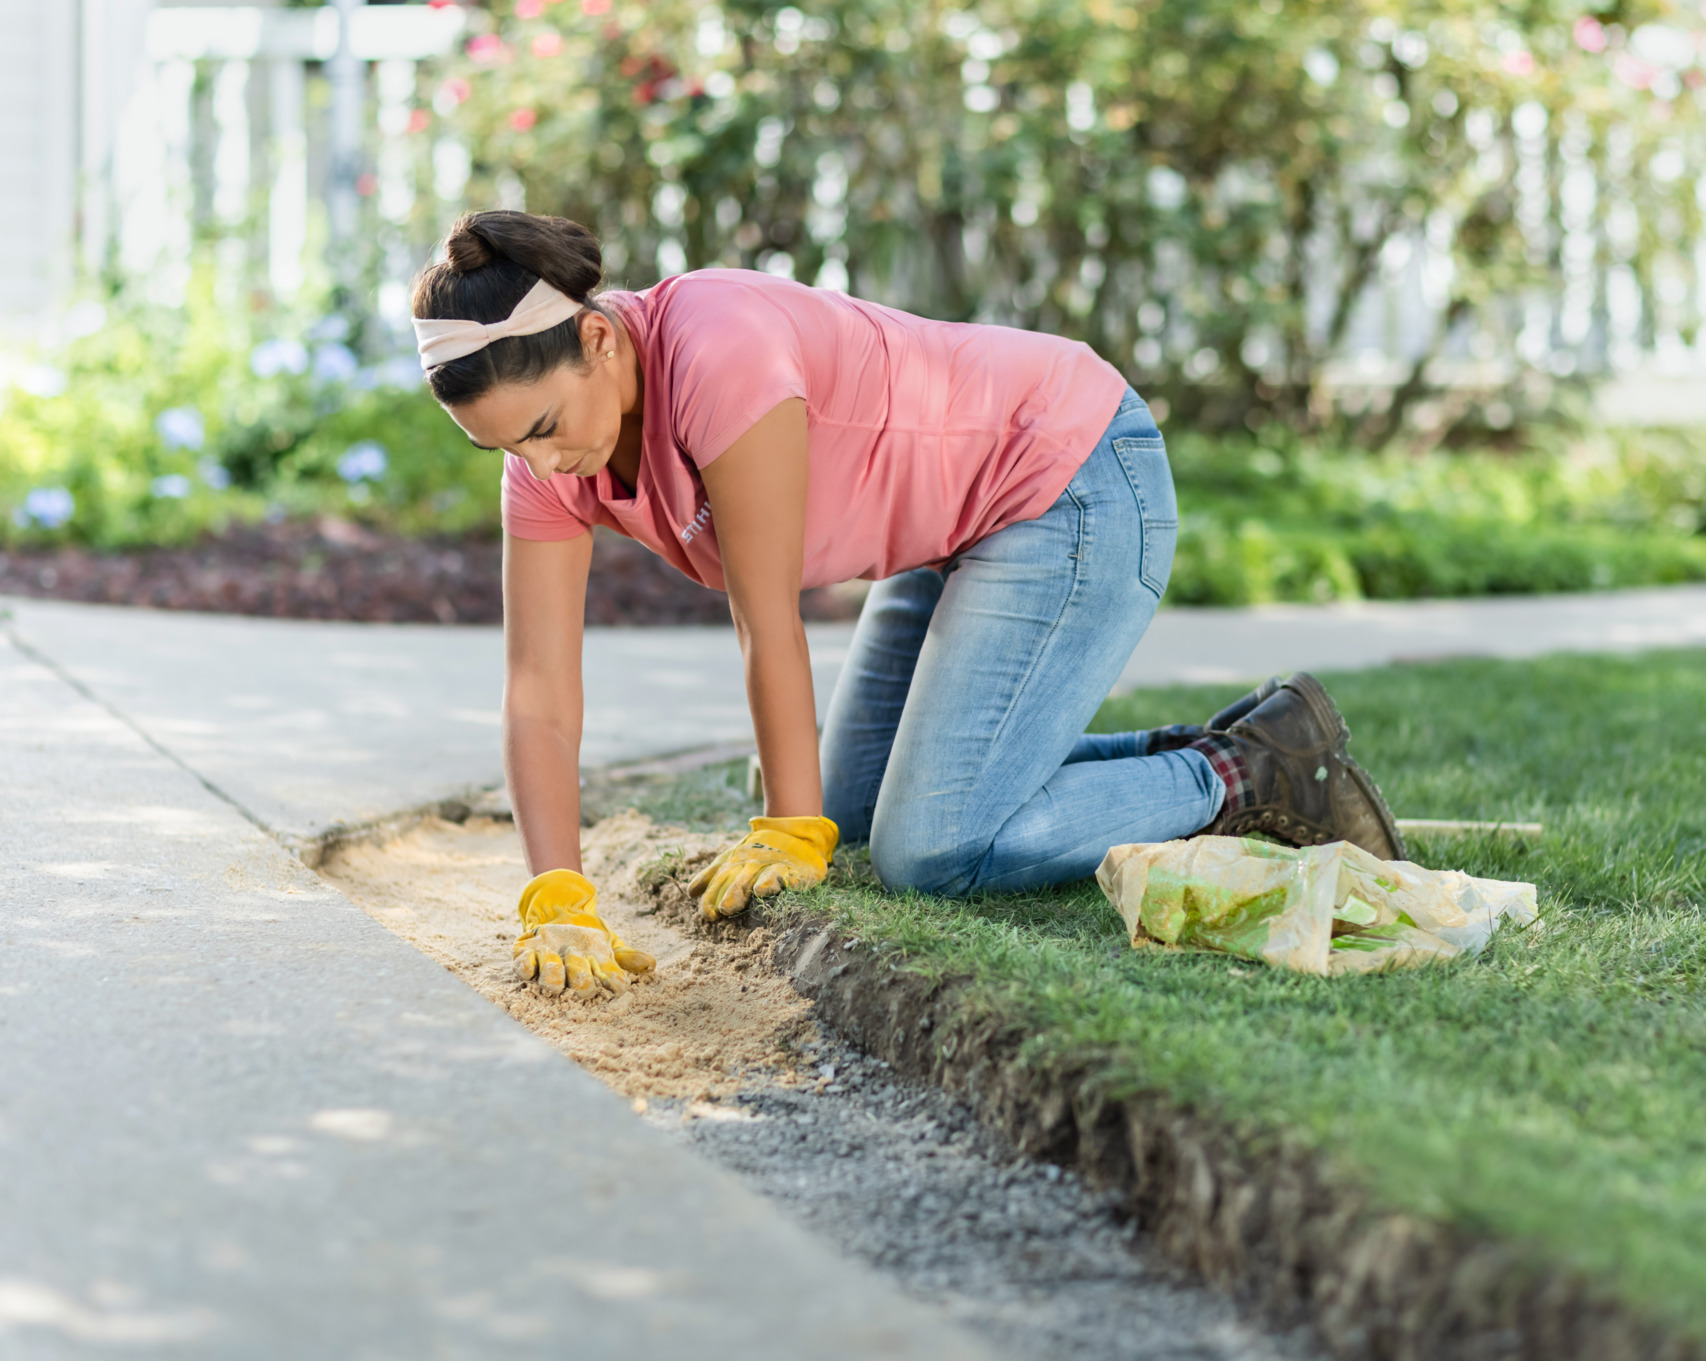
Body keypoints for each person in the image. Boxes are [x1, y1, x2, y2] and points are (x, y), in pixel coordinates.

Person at [408, 210, 1403, 1000]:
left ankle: (1244, 771)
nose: (540, 465)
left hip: (1072, 477)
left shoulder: (717, 351)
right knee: (850, 815)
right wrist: (555, 890)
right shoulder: (547, 463)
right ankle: (1235, 741)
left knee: (930, 848)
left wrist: (785, 825)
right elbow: (538, 689)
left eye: (542, 426)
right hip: (949, 536)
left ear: (597, 338)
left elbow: (767, 618)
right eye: (505, 449)